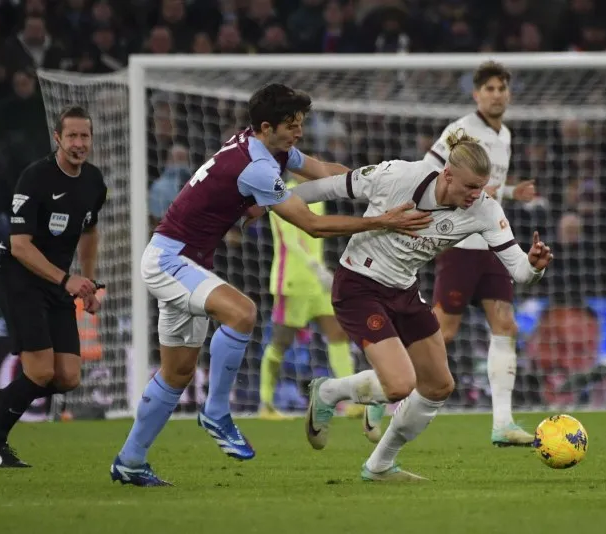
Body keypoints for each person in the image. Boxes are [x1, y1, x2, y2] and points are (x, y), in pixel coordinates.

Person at [110, 83, 431, 487]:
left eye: (300, 124)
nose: (299, 132)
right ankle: (216, 413)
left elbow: (324, 172)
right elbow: (312, 225)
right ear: (266, 126)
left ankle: (131, 460)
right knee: (243, 312)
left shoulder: (265, 148)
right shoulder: (257, 167)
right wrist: (383, 221)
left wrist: (380, 182)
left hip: (187, 262)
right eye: (292, 125)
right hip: (169, 259)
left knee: (176, 373)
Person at [292, 129, 552, 481]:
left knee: (438, 386)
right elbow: (330, 186)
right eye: (470, 187)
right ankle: (328, 392)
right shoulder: (399, 175)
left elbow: (520, 272)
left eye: (482, 187)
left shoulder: (485, 211)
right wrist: (273, 200)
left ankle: (379, 465)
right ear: (447, 174)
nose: (478, 195)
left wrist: (535, 265)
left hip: (404, 291)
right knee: (399, 385)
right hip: (358, 285)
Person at [0, 106, 107, 468]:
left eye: (84, 136)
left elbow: (90, 231)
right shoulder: (35, 178)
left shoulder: (94, 181)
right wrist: (67, 280)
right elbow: (20, 245)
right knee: (41, 372)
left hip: (58, 282)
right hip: (20, 279)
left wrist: (89, 284)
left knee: (68, 378)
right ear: (57, 139)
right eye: (72, 136)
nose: (79, 143)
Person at [424, 61, 537, 446]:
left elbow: (486, 188)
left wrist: (508, 193)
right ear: (476, 95)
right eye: (489, 88)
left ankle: (502, 424)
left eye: (502, 87)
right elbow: (430, 172)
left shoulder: (504, 134)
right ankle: (382, 388)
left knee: (505, 325)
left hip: (493, 243)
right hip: (460, 244)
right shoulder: (460, 130)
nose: (496, 94)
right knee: (443, 332)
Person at [260, 173, 365, 422]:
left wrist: (322, 271)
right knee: (281, 342)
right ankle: (265, 404)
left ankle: (350, 401)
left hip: (317, 283)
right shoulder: (284, 194)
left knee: (338, 334)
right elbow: (290, 239)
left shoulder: (318, 196)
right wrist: (314, 267)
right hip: (293, 280)